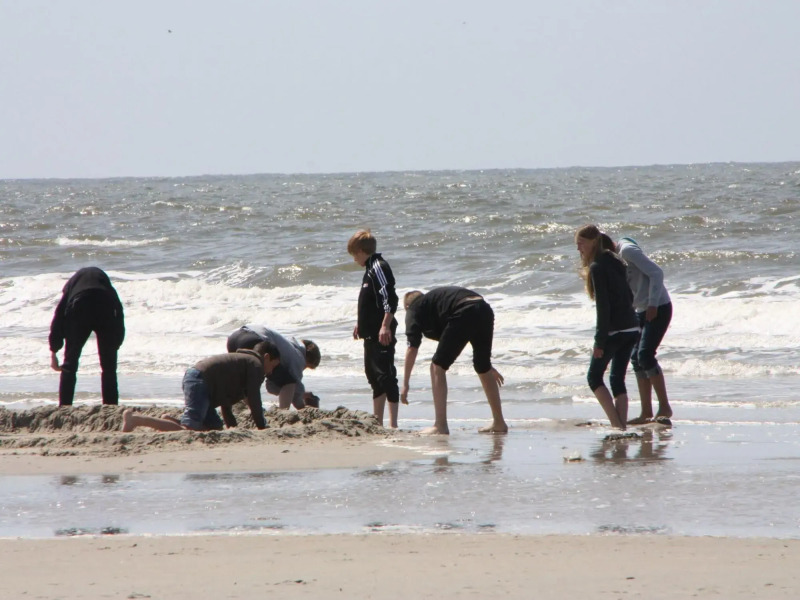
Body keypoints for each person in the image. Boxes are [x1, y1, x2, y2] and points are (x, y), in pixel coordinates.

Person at [401, 286, 508, 435]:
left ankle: (440, 425)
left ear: (406, 306)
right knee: (482, 367)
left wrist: (405, 384)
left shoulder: (414, 308)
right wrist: (488, 366)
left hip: (464, 310)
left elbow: (412, 348)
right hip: (483, 308)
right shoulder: (434, 304)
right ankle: (499, 423)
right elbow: (463, 333)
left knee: (436, 366)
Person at [121, 340, 280, 432]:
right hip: (200, 381)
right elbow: (254, 400)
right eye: (273, 365)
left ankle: (169, 421)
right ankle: (135, 419)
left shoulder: (243, 362)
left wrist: (232, 427)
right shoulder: (255, 365)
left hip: (198, 380)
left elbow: (226, 403)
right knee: (188, 431)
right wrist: (262, 427)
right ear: (266, 357)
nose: (271, 372)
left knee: (214, 428)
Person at [575, 224, 639, 430]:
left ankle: (615, 424)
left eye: (581, 243)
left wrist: (599, 341)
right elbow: (629, 296)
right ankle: (621, 428)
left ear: (593, 242)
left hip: (614, 331)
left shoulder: (597, 267)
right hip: (631, 327)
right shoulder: (615, 260)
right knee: (617, 378)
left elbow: (604, 308)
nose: (578, 249)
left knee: (594, 377)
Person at [616, 236, 673, 426]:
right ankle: (646, 412)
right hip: (641, 310)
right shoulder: (613, 261)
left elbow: (657, 272)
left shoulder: (626, 250)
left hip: (659, 306)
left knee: (646, 355)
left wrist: (653, 304)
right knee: (636, 358)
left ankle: (664, 407)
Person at [347, 229, 401, 428]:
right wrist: (360, 323)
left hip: (382, 333)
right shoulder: (369, 269)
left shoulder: (379, 266)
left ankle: (393, 424)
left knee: (386, 376)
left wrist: (385, 326)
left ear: (362, 251)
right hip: (370, 333)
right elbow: (370, 302)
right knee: (373, 376)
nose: (354, 259)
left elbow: (389, 298)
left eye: (354, 254)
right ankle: (377, 422)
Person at [49, 267, 125, 406]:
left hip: (79, 305)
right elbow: (118, 309)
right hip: (104, 305)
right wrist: (116, 341)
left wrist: (54, 350)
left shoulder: (72, 285)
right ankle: (110, 406)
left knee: (69, 365)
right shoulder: (105, 283)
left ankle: (65, 406)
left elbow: (59, 315)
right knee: (109, 367)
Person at [226, 325, 320, 409]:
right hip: (255, 341)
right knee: (289, 382)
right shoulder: (299, 358)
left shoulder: (290, 345)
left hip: (234, 338)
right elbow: (291, 386)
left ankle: (254, 409)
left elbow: (274, 386)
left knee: (246, 378)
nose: (302, 369)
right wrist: (303, 406)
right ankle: (283, 412)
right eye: (307, 367)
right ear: (307, 359)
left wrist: (300, 394)